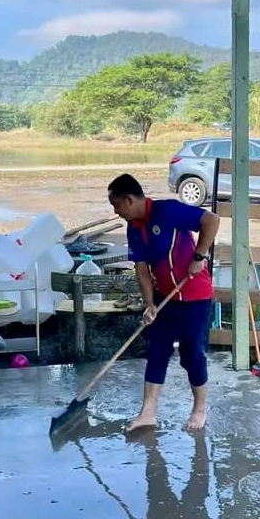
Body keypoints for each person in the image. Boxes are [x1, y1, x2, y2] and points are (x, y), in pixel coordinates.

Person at [108, 174, 220, 432]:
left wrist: (199, 255)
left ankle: (199, 409)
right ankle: (147, 413)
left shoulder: (167, 211)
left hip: (194, 295)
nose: (115, 212)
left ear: (129, 200)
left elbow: (211, 220)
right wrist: (150, 304)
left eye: (116, 205)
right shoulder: (133, 228)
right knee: (157, 350)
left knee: (192, 354)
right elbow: (142, 270)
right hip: (164, 298)